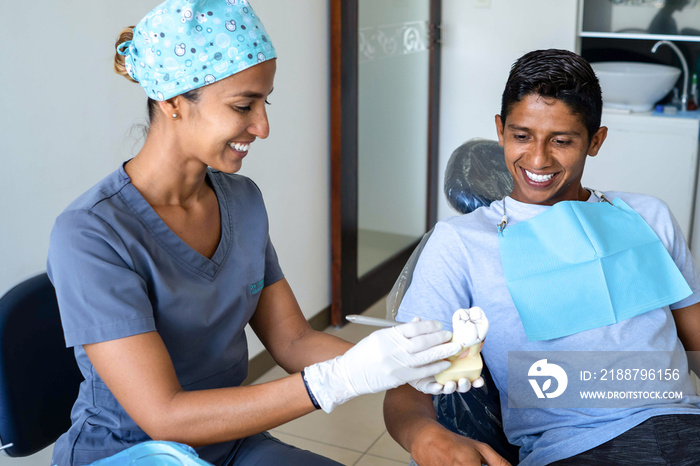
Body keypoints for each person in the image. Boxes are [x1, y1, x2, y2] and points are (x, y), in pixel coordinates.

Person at [46, 1, 471, 465]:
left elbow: (293, 341)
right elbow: (165, 417)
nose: (263, 127)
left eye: (265, 102)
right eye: (243, 105)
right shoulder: (91, 234)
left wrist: (407, 364)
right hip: (134, 451)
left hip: (226, 440)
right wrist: (341, 379)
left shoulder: (241, 201)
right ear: (171, 101)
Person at [383, 48, 700, 466]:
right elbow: (406, 386)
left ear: (596, 140)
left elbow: (694, 338)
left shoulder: (649, 215)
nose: (537, 159)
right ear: (500, 130)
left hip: (686, 425)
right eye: (521, 136)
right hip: (577, 448)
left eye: (562, 141)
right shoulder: (460, 242)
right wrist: (423, 435)